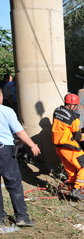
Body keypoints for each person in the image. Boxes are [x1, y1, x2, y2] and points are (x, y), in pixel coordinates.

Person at [0, 87, 40, 227]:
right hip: (4, 150)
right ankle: (21, 217)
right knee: (14, 183)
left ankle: (0, 218)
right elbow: (20, 132)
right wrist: (32, 145)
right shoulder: (6, 111)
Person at [51, 93, 84, 200]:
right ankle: (77, 189)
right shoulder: (74, 118)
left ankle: (71, 189)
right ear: (72, 105)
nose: (76, 108)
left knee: (70, 169)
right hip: (70, 147)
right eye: (75, 106)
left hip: (58, 147)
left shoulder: (57, 111)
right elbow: (78, 137)